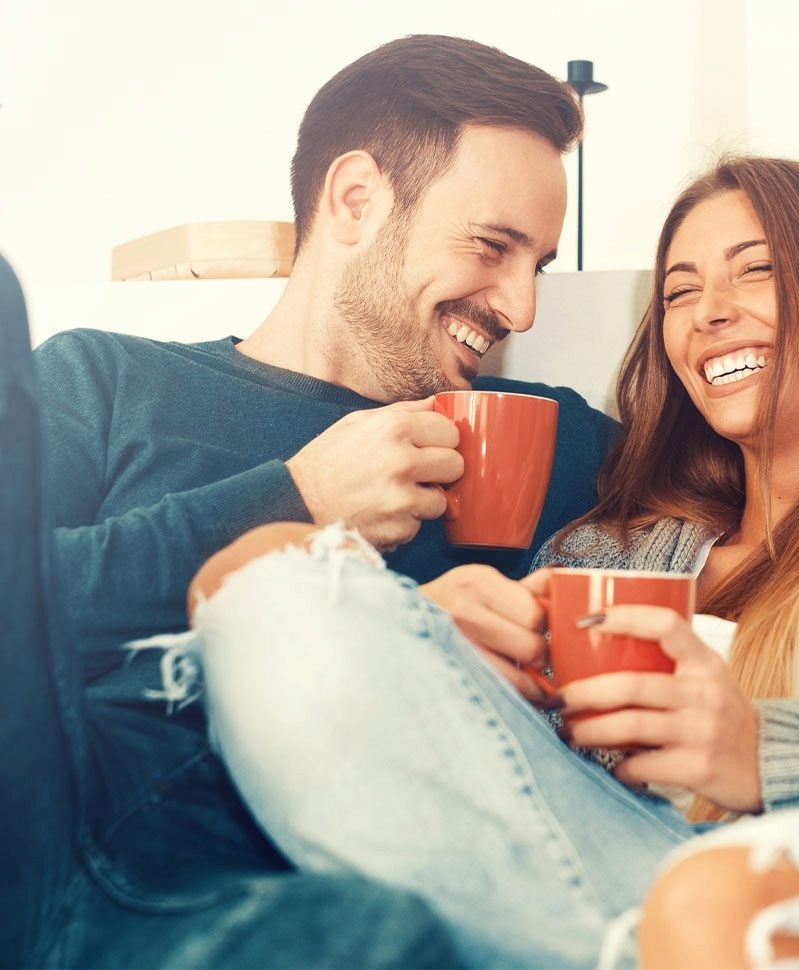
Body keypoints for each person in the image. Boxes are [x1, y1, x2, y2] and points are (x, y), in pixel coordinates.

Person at [182, 156, 799, 968]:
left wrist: (773, 749)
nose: (710, 311)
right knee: (260, 575)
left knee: (729, 904)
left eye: (755, 269)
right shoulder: (611, 551)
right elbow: (540, 792)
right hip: (673, 885)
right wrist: (450, 647)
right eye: (681, 293)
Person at [12, 35, 616, 966]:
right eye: (494, 247)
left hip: (360, 906)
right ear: (355, 199)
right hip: (86, 863)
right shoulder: (103, 383)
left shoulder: (539, 439)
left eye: (535, 262)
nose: (521, 307)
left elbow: (789, 483)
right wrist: (296, 498)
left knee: (371, 937)